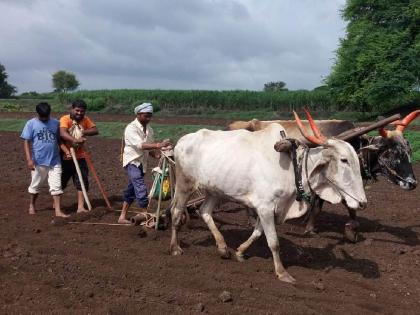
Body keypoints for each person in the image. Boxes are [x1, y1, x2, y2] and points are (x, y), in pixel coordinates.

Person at [118, 102, 172, 224]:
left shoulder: (149, 130)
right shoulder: (131, 128)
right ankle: (146, 215)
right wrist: (159, 145)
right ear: (138, 114)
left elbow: (150, 149)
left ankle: (122, 217)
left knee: (131, 190)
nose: (148, 118)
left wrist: (159, 154)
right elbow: (141, 145)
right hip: (132, 162)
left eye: (150, 116)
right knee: (140, 187)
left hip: (142, 163)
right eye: (146, 115)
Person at [21, 102, 68, 217]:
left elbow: (59, 140)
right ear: (37, 114)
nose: (45, 118)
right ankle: (32, 204)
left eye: (46, 116)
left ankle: (58, 211)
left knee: (56, 186)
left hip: (54, 160)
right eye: (42, 117)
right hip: (38, 161)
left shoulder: (56, 123)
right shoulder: (31, 124)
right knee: (35, 185)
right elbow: (26, 141)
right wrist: (29, 159)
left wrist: (66, 151)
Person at [59, 99, 98, 213]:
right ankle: (56, 204)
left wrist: (83, 131)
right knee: (61, 182)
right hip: (65, 156)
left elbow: (95, 130)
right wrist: (74, 139)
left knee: (82, 181)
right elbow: (62, 133)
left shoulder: (85, 120)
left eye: (82, 111)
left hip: (80, 156)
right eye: (77, 111)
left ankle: (80, 207)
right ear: (72, 109)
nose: (79, 113)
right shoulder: (65, 119)